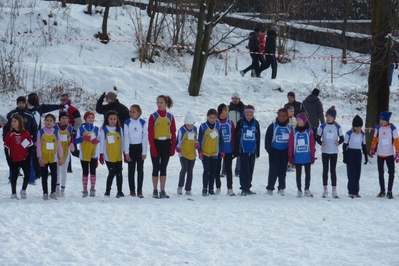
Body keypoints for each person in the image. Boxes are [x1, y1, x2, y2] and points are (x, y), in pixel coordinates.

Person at [3, 96, 38, 185]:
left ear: (25, 103)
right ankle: (12, 178)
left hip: (26, 141)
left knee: (28, 159)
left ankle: (31, 179)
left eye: (23, 103)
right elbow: (6, 127)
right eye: (19, 103)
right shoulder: (11, 114)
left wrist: (34, 139)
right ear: (17, 104)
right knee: (13, 159)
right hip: (14, 140)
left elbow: (34, 128)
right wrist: (5, 138)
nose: (21, 104)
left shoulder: (29, 115)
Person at [148, 95, 176, 199]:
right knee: (156, 168)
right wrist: (152, 146)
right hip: (156, 143)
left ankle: (162, 190)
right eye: (158, 102)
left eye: (161, 102)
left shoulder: (170, 117)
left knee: (163, 168)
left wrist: (173, 146)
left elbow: (173, 132)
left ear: (166, 104)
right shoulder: (153, 116)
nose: (159, 104)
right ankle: (155, 190)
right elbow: (150, 132)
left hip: (166, 144)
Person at [369, 111, 399, 199]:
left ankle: (389, 191)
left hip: (389, 154)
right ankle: (382, 190)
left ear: (387, 120)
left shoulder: (393, 128)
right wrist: (372, 148)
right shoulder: (378, 128)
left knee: (391, 172)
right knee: (380, 173)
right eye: (380, 119)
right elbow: (375, 139)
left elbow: (396, 141)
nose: (381, 121)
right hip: (380, 154)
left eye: (383, 119)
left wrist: (397, 151)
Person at [316, 106, 344, 198]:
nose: (328, 118)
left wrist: (338, 142)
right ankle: (325, 190)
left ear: (334, 118)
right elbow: (317, 137)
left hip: (333, 152)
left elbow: (342, 138)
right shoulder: (323, 126)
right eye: (327, 116)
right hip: (325, 151)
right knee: (325, 170)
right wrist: (321, 143)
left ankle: (334, 190)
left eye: (330, 116)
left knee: (333, 171)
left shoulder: (337, 127)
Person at [4, 115, 33, 200]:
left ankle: (23, 190)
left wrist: (28, 157)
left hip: (24, 158)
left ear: (20, 123)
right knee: (14, 176)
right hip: (13, 159)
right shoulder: (10, 134)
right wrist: (8, 159)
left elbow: (30, 146)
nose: (13, 123)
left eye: (15, 121)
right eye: (12, 121)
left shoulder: (26, 133)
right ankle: (13, 193)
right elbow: (6, 148)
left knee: (27, 174)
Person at [265, 108, 292, 196]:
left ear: (287, 117)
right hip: (274, 152)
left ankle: (281, 187)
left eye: (283, 116)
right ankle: (270, 188)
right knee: (273, 170)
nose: (281, 118)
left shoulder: (289, 127)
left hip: (285, 152)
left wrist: (290, 153)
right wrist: (270, 151)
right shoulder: (273, 126)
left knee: (282, 171)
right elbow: (267, 140)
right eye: (279, 116)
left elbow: (292, 141)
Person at [37, 114, 63, 200]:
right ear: (44, 121)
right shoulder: (40, 132)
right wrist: (40, 158)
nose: (48, 122)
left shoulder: (56, 132)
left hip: (53, 158)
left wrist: (61, 157)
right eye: (47, 120)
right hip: (44, 158)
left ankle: (53, 192)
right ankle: (45, 192)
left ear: (54, 123)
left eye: (51, 121)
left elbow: (59, 146)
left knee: (54, 175)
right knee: (44, 176)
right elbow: (39, 146)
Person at [235, 105, 260, 196]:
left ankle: (248, 187)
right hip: (243, 150)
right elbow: (236, 138)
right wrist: (237, 152)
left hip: (252, 150)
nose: (249, 116)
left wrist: (258, 152)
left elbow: (258, 137)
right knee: (244, 169)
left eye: (251, 115)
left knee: (251, 169)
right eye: (247, 115)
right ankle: (243, 187)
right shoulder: (241, 123)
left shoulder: (256, 123)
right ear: (244, 114)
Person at [288, 113, 315, 198]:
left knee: (308, 173)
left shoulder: (309, 132)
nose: (298, 122)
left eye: (300, 120)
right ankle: (299, 190)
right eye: (297, 120)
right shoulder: (294, 132)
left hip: (306, 156)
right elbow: (291, 144)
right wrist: (290, 156)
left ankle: (307, 189)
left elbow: (312, 145)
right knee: (298, 174)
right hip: (298, 156)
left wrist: (312, 155)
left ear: (304, 121)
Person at [198, 109, 224, 196]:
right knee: (207, 170)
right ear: (207, 117)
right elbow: (200, 140)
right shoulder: (203, 126)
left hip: (214, 152)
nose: (212, 119)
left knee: (213, 171)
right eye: (210, 117)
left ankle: (211, 188)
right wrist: (200, 151)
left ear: (216, 117)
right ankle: (205, 188)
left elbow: (221, 139)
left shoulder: (218, 126)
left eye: (214, 117)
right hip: (205, 152)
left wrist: (222, 151)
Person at [124, 104, 147, 198]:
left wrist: (144, 152)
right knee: (131, 170)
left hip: (140, 148)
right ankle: (132, 190)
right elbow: (126, 137)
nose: (131, 113)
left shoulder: (143, 122)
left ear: (138, 113)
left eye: (134, 112)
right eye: (130, 111)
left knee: (140, 170)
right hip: (131, 148)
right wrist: (126, 152)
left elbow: (145, 137)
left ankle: (140, 190)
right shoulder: (127, 123)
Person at [99, 110, 124, 198]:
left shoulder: (119, 129)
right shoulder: (104, 129)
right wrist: (101, 154)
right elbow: (102, 142)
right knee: (111, 172)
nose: (113, 121)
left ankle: (120, 191)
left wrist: (124, 152)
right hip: (108, 155)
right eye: (111, 119)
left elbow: (122, 142)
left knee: (119, 173)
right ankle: (107, 191)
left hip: (118, 155)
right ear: (107, 119)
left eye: (114, 119)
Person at [343, 115, 368, 198]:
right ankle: (351, 191)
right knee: (351, 173)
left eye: (360, 127)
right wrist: (345, 156)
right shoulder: (349, 134)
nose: (358, 128)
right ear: (353, 126)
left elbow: (363, 145)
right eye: (357, 127)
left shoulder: (362, 134)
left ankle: (356, 191)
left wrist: (365, 155)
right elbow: (345, 145)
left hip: (358, 153)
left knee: (357, 173)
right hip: (351, 152)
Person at [75, 111, 100, 198]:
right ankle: (85, 190)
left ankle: (92, 189)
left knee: (93, 171)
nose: (91, 119)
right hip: (84, 153)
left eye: (92, 117)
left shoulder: (96, 129)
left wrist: (96, 140)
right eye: (89, 117)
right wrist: (84, 138)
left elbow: (99, 139)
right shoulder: (81, 129)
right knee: (85, 172)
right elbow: (76, 140)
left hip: (94, 153)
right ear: (85, 119)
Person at [175, 111, 198, 196]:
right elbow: (178, 140)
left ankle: (188, 189)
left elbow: (197, 138)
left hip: (192, 153)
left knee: (190, 171)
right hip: (183, 153)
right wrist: (177, 147)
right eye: (188, 125)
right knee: (184, 168)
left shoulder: (195, 129)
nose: (190, 127)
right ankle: (180, 186)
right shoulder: (182, 130)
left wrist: (197, 144)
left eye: (191, 125)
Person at [216, 104, 236, 196]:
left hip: (228, 150)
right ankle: (218, 187)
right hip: (217, 150)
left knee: (229, 169)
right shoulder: (215, 122)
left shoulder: (230, 122)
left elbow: (234, 136)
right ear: (220, 111)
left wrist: (234, 148)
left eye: (228, 110)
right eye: (225, 110)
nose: (227, 112)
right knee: (217, 169)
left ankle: (230, 188)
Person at [60, 93, 82, 173]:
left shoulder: (73, 109)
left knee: (74, 151)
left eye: (64, 100)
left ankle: (88, 158)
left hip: (72, 132)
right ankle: (68, 168)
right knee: (65, 148)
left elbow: (79, 121)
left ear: (68, 100)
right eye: (61, 100)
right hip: (64, 131)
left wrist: (74, 131)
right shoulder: (62, 109)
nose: (63, 102)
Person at [54, 111, 75, 197]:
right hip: (56, 150)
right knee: (57, 170)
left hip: (66, 151)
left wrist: (72, 144)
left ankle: (63, 188)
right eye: (63, 118)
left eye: (66, 118)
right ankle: (57, 187)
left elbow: (72, 138)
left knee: (64, 170)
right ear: (59, 119)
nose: (64, 120)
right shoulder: (55, 127)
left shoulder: (70, 128)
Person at [228, 92, 245, 176]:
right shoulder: (228, 108)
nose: (234, 100)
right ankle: (225, 169)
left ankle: (238, 169)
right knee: (228, 151)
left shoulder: (243, 109)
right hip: (230, 132)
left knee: (239, 150)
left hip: (240, 132)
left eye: (236, 98)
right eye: (233, 98)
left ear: (239, 99)